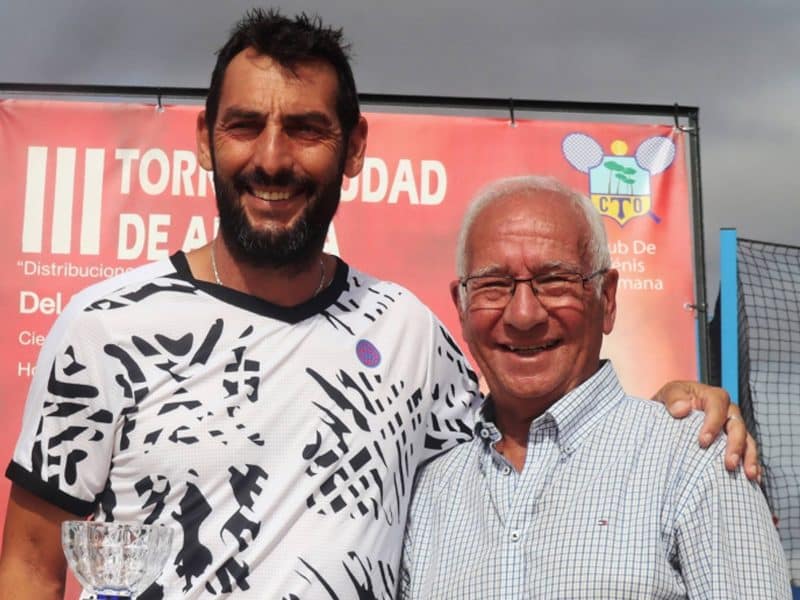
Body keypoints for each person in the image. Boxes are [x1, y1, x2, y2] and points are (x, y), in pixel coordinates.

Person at [0, 10, 755, 600]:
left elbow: (534, 429)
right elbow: (32, 567)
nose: (272, 159)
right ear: (204, 138)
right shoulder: (105, 329)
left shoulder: (408, 336)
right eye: (244, 126)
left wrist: (669, 410)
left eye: (305, 129)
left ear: (354, 148)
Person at [399, 175, 790, 599]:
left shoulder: (695, 462)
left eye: (554, 281)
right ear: (461, 305)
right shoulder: (426, 494)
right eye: (494, 285)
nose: (524, 315)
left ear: (607, 299)